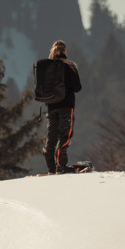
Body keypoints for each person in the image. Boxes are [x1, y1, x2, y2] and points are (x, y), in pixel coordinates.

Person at [43, 40, 82, 174]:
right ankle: (61, 166)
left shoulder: (46, 68)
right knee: (64, 136)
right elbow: (78, 88)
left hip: (51, 107)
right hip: (66, 106)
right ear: (65, 51)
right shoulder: (70, 66)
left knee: (51, 137)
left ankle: (51, 168)